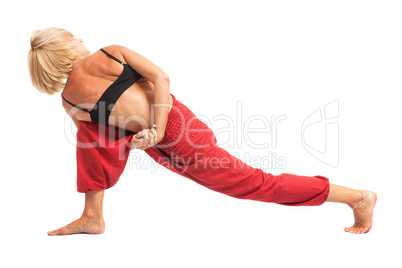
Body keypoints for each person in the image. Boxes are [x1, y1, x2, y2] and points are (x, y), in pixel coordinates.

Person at [28, 27, 376, 236]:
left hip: (174, 134)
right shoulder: (108, 53)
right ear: (63, 50)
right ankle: (92, 217)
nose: (80, 39)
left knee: (257, 183)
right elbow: (152, 88)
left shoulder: (70, 101)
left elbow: (155, 85)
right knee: (91, 137)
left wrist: (151, 132)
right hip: (164, 139)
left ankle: (358, 197)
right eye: (73, 38)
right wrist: (147, 137)